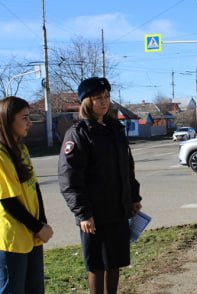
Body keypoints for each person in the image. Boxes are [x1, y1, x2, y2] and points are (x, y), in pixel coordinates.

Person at [58, 77, 142, 294]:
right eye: (98, 98)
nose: (104, 102)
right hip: (93, 213)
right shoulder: (79, 133)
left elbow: (127, 166)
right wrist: (83, 213)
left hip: (118, 208)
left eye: (106, 97)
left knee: (115, 262)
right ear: (87, 102)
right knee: (96, 265)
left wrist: (134, 197)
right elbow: (69, 178)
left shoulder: (115, 128)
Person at [0, 96, 54, 293]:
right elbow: (9, 202)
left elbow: (35, 188)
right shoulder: (1, 155)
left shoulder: (22, 149)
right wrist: (38, 226)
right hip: (12, 240)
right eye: (24, 118)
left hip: (32, 235)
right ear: (7, 120)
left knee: (35, 288)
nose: (29, 123)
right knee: (13, 289)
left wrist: (43, 223)